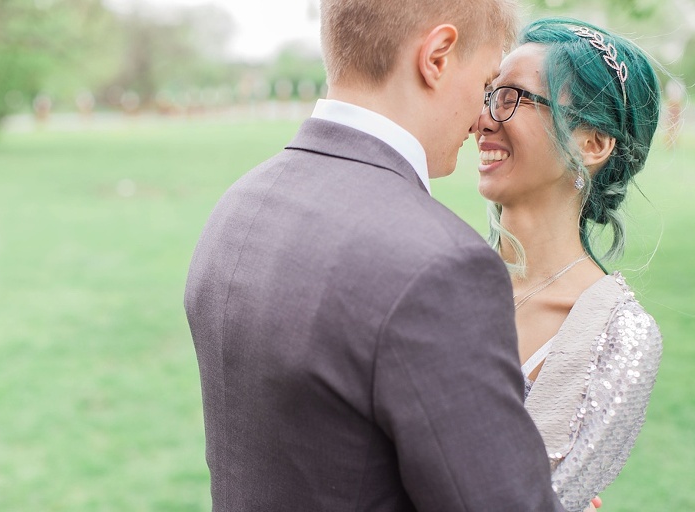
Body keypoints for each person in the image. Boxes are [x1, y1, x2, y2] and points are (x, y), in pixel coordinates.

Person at [185, 0, 567, 510]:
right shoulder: (441, 265)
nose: (482, 119)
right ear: (437, 57)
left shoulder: (240, 205)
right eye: (484, 83)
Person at [475, 17, 663, 512]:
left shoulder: (618, 336)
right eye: (486, 94)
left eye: (510, 98)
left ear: (592, 143)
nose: (482, 120)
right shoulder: (434, 273)